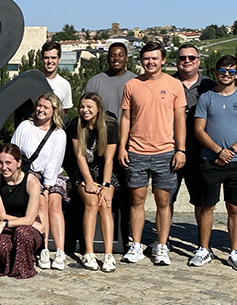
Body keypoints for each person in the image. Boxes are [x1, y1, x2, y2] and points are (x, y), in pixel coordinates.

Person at [118, 42, 186, 266]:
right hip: (136, 150)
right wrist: (122, 146)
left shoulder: (174, 85)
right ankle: (136, 244)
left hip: (165, 151)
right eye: (146, 58)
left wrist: (181, 149)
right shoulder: (131, 85)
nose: (150, 62)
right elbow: (126, 118)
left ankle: (162, 245)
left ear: (163, 60)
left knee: (163, 201)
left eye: (155, 58)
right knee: (136, 200)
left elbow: (180, 120)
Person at [188, 55, 237, 270]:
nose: (226, 75)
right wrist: (218, 150)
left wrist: (232, 151)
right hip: (210, 160)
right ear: (216, 72)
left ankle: (234, 251)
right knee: (206, 206)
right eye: (222, 71)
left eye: (231, 71)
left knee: (234, 208)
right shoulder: (206, 98)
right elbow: (199, 130)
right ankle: (204, 249)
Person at [10, 92, 67, 270]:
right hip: (28, 174)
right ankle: (44, 248)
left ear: (54, 110)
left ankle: (60, 250)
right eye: (39, 106)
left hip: (52, 175)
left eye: (46, 107)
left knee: (54, 203)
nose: (41, 110)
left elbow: (54, 162)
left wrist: (48, 186)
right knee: (41, 202)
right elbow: (14, 150)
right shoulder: (25, 126)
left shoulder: (59, 134)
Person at [67, 93, 120, 273]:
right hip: (83, 171)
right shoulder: (76, 125)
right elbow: (80, 156)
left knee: (105, 203)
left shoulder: (110, 125)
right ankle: (88, 252)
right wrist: (88, 182)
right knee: (91, 202)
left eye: (89, 107)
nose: (85, 110)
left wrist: (105, 186)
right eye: (82, 107)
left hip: (104, 170)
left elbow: (109, 160)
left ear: (98, 108)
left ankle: (108, 254)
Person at [0, 143, 44, 279]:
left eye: (8, 163)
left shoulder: (31, 182)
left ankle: (25, 268)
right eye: (0, 163)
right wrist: (4, 222)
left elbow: (29, 218)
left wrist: (5, 223)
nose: (4, 167)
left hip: (26, 227)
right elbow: (1, 215)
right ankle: (11, 264)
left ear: (18, 163)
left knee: (22, 233)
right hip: (11, 223)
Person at [172, 43, 216, 209]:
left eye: (191, 57)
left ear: (198, 61)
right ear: (177, 61)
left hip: (201, 151)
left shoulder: (210, 86)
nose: (187, 61)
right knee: (166, 200)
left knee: (201, 201)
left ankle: (201, 236)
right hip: (171, 149)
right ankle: (163, 235)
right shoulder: (167, 83)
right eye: (182, 58)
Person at [82, 42, 136, 121]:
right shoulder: (94, 82)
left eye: (120, 55)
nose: (116, 58)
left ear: (126, 58)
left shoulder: (136, 81)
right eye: (112, 56)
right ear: (107, 58)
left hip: (130, 132)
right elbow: (85, 110)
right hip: (101, 131)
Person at [39, 40, 74, 114]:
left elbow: (64, 114)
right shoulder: (33, 81)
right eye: (46, 58)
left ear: (59, 59)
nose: (50, 61)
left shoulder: (65, 85)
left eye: (53, 57)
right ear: (42, 59)